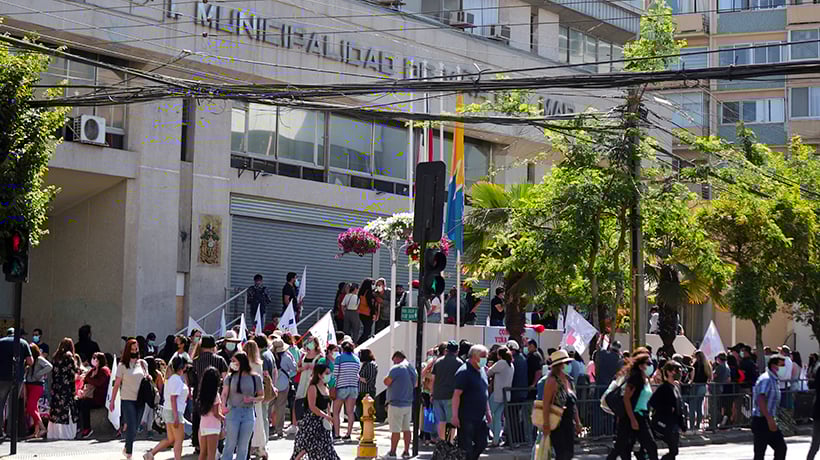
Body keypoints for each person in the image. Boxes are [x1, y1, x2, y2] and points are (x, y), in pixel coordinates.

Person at [606, 353, 658, 460]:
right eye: (648, 363)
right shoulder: (635, 379)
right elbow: (626, 399)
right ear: (640, 365)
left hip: (642, 416)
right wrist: (633, 419)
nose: (650, 366)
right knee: (620, 447)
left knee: (650, 446)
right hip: (632, 417)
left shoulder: (646, 379)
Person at [290, 362, 340, 460]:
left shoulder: (326, 387)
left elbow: (327, 405)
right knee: (305, 447)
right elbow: (312, 407)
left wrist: (329, 418)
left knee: (326, 447)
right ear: (319, 375)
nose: (329, 375)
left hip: (323, 423)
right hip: (311, 422)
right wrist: (326, 416)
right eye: (326, 373)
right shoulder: (313, 388)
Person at [537, 350, 581, 460]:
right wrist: (546, 424)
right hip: (557, 422)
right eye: (565, 363)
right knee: (561, 454)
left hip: (569, 422)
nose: (567, 365)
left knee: (569, 454)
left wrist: (578, 422)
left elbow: (573, 404)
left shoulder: (569, 380)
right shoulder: (551, 381)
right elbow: (546, 403)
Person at [111, 338, 149, 459]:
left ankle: (127, 447)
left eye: (136, 349)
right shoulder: (122, 365)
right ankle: (129, 453)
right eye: (132, 349)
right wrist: (112, 401)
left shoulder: (143, 364)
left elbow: (147, 378)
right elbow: (117, 384)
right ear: (128, 350)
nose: (134, 351)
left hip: (140, 399)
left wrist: (148, 378)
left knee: (135, 427)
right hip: (127, 399)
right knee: (131, 425)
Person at [221, 352, 264, 460]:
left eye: (234, 361)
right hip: (233, 411)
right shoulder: (230, 377)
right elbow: (224, 393)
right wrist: (223, 406)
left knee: (243, 445)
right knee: (230, 443)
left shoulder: (255, 377)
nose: (232, 363)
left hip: (248, 412)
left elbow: (261, 395)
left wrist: (252, 399)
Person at [144, 356, 188, 460]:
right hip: (175, 411)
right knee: (179, 440)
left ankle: (150, 454)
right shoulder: (176, 380)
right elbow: (174, 398)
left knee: (171, 439)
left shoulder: (171, 378)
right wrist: (176, 417)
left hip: (168, 410)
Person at [452, 345, 491, 460]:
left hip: (480, 417)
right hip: (466, 417)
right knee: (466, 447)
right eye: (483, 356)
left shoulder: (482, 370)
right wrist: (455, 416)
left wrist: (488, 411)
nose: (485, 359)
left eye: (486, 356)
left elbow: (484, 392)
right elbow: (456, 395)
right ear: (474, 356)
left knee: (482, 443)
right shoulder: (463, 372)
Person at [191, 335, 228, 453]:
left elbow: (191, 379)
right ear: (213, 346)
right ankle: (217, 444)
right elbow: (225, 378)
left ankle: (199, 445)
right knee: (216, 419)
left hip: (199, 394)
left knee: (199, 419)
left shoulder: (195, 361)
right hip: (215, 393)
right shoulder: (220, 360)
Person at [751, 354, 787, 460]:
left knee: (781, 448)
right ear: (773, 366)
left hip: (769, 419)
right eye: (782, 365)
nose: (784, 368)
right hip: (762, 420)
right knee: (760, 453)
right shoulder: (766, 379)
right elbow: (761, 399)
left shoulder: (774, 380)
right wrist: (769, 419)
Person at [649, 360, 685, 460]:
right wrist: (667, 409)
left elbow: (679, 407)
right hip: (664, 424)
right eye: (676, 370)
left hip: (674, 424)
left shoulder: (675, 388)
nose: (679, 373)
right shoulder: (663, 388)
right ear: (668, 372)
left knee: (674, 451)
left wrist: (682, 425)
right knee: (673, 450)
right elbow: (653, 402)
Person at [384, 350, 417, 459]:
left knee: (395, 430)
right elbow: (416, 384)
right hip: (408, 403)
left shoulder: (396, 368)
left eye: (394, 361)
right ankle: (406, 451)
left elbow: (387, 382)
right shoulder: (412, 369)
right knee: (406, 429)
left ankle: (392, 453)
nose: (394, 363)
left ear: (398, 358)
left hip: (396, 403)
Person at [431, 340, 464, 441]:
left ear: (447, 350)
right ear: (457, 351)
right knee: (450, 421)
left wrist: (432, 394)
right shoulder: (459, 363)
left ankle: (442, 441)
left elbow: (433, 379)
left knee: (441, 421)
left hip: (437, 395)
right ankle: (449, 441)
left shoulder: (438, 362)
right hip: (451, 396)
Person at [48, 338, 80, 440]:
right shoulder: (69, 357)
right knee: (67, 411)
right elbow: (73, 371)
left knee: (56, 410)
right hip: (66, 388)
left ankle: (54, 433)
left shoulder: (55, 357)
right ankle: (67, 434)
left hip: (56, 386)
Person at [243, 340, 269, 459]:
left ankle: (249, 447)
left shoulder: (242, 364)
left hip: (244, 396)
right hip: (256, 396)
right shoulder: (259, 364)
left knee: (246, 423)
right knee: (258, 422)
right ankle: (261, 447)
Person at [77, 351, 110, 439]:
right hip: (90, 395)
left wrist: (89, 379)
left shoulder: (104, 370)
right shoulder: (93, 370)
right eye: (93, 358)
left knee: (85, 404)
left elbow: (99, 382)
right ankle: (78, 426)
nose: (93, 360)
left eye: (96, 358)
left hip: (99, 398)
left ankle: (87, 428)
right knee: (77, 402)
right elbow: (85, 379)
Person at [333, 339, 360, 441]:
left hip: (341, 387)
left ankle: (337, 434)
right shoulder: (356, 359)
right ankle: (348, 434)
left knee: (336, 412)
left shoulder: (339, 358)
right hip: (353, 387)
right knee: (350, 412)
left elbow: (335, 374)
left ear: (342, 349)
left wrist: (333, 386)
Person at [24, 343, 52, 439]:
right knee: (34, 408)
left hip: (37, 385)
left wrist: (39, 374)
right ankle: (36, 432)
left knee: (30, 407)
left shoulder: (39, 359)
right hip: (29, 384)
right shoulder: (29, 360)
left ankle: (42, 428)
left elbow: (49, 366)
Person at [487, 346, 513, 448]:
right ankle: (496, 439)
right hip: (506, 395)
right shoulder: (511, 364)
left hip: (497, 394)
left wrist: (489, 367)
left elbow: (489, 372)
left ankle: (495, 435)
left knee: (487, 415)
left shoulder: (501, 363)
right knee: (497, 416)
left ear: (499, 355)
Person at [197, 367, 225, 460]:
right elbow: (216, 413)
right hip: (213, 426)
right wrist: (224, 418)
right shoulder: (215, 395)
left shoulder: (202, 394)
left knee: (203, 453)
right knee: (211, 455)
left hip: (203, 425)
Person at [272, 338, 296, 438]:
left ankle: (268, 426)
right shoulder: (287, 357)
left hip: (271, 384)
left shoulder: (270, 356)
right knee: (280, 407)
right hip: (283, 384)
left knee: (269, 407)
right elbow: (294, 368)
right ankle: (279, 429)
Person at [295, 336, 321, 421]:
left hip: (313, 381)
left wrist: (314, 368)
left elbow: (322, 369)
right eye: (308, 342)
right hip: (303, 381)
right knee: (299, 400)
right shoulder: (303, 355)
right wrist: (303, 368)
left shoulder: (319, 356)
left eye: (311, 342)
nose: (309, 344)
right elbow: (297, 368)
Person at [690, 350, 712, 431]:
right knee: (699, 406)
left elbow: (693, 376)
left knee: (692, 406)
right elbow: (709, 377)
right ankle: (698, 424)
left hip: (696, 386)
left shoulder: (696, 365)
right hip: (703, 386)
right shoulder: (707, 365)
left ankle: (692, 425)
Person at [356, 348, 378, 424]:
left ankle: (366, 429)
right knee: (359, 412)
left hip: (367, 392)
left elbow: (369, 380)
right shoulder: (365, 364)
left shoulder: (371, 365)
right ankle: (363, 429)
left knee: (366, 413)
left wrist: (359, 377)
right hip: (361, 391)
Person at [357, 278, 375, 344]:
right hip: (367, 313)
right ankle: (359, 343)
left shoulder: (361, 291)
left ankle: (361, 342)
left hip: (361, 312)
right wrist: (373, 313)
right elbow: (370, 304)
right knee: (367, 330)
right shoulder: (368, 292)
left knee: (366, 329)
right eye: (373, 284)